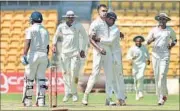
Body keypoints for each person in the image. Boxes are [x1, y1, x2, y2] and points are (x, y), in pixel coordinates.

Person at [82, 4, 116, 106]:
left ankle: (108, 99)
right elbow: (91, 39)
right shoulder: (95, 24)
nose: (105, 12)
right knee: (95, 74)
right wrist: (100, 49)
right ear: (98, 11)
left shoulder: (108, 22)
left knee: (110, 75)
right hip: (98, 51)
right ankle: (85, 95)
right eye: (103, 11)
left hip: (108, 51)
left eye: (106, 10)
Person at [91, 12, 127, 106]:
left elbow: (110, 41)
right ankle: (109, 98)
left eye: (109, 19)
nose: (106, 19)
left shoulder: (115, 29)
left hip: (116, 55)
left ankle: (122, 98)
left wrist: (98, 39)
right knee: (110, 78)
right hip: (109, 55)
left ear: (112, 19)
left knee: (119, 77)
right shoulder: (106, 27)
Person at [52, 10, 88, 102]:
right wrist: (54, 45)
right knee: (65, 73)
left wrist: (83, 49)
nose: (71, 18)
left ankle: (74, 93)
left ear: (74, 17)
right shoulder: (61, 26)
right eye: (69, 17)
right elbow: (55, 36)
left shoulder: (78, 26)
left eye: (72, 17)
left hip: (75, 53)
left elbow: (85, 37)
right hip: (64, 53)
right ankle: (67, 93)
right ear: (66, 17)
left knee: (74, 73)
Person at [146, 13, 177, 105]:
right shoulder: (153, 30)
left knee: (162, 75)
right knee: (157, 76)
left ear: (166, 20)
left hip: (165, 54)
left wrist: (171, 45)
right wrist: (153, 39)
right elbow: (147, 42)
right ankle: (161, 95)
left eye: (164, 19)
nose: (162, 21)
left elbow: (175, 40)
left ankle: (162, 97)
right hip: (155, 54)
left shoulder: (170, 30)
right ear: (158, 20)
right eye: (160, 19)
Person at [21, 11, 49, 107]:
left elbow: (28, 42)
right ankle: (41, 102)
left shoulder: (30, 29)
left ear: (32, 19)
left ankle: (27, 101)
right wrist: (47, 56)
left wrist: (24, 54)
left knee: (29, 79)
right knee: (41, 79)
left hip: (33, 55)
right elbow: (47, 46)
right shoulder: (45, 30)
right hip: (43, 56)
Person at [126, 36, 150, 101]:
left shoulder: (144, 48)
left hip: (142, 64)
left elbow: (147, 54)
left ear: (141, 41)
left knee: (141, 77)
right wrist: (131, 58)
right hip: (135, 65)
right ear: (135, 41)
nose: (138, 42)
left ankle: (140, 91)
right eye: (137, 41)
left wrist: (148, 59)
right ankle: (137, 93)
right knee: (135, 80)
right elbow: (128, 56)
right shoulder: (132, 48)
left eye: (139, 41)